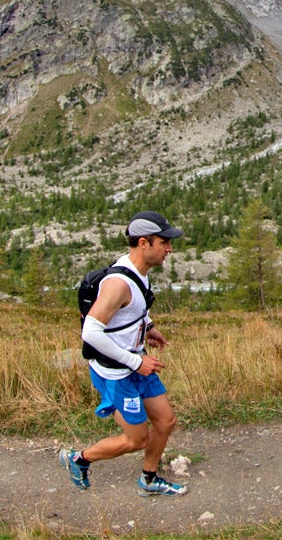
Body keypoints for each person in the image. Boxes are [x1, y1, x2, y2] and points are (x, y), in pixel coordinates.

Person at [58, 210, 188, 497]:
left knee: (165, 421)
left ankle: (149, 480)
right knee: (136, 439)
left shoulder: (137, 272)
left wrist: (148, 327)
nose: (169, 249)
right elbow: (91, 332)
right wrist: (135, 361)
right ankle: (79, 459)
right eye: (164, 242)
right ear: (143, 243)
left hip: (136, 362)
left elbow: (133, 308)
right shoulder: (118, 283)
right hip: (117, 372)